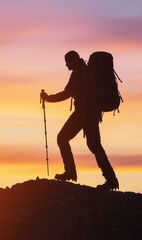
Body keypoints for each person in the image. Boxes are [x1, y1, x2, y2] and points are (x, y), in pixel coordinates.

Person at [40, 50, 119, 190]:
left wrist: (48, 98)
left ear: (72, 60)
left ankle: (71, 172)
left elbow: (66, 93)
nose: (66, 65)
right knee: (94, 145)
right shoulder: (87, 71)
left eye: (67, 62)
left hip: (83, 113)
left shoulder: (79, 74)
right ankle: (111, 179)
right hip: (92, 114)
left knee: (62, 138)